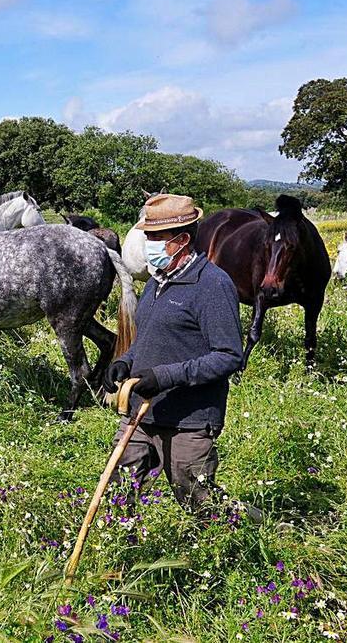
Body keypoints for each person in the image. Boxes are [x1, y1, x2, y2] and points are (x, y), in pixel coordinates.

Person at [104, 193, 256, 520]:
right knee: (118, 492)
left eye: (155, 238)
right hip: (140, 414)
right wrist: (125, 361)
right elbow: (148, 339)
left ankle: (252, 526)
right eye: (146, 237)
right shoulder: (155, 283)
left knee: (200, 501)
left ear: (181, 240)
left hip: (189, 419)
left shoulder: (212, 285)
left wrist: (166, 376)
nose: (148, 245)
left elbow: (229, 356)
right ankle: (122, 561)